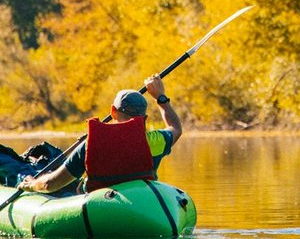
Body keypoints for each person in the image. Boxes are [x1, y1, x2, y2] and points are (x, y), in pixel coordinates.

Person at [20, 76, 182, 193]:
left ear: (113, 112)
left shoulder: (92, 144)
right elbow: (175, 128)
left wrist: (32, 184)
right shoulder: (154, 142)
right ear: (144, 119)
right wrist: (161, 98)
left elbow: (51, 184)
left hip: (100, 207)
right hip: (141, 202)